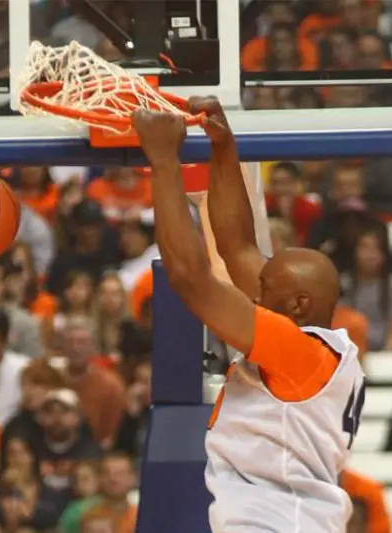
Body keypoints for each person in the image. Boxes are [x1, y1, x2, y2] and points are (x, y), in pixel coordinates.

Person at [130, 98, 365, 532]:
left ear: (296, 305)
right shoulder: (314, 351)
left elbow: (190, 279)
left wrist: (164, 161)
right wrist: (223, 146)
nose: (253, 291)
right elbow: (236, 247)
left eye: (263, 288)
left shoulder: (299, 352)